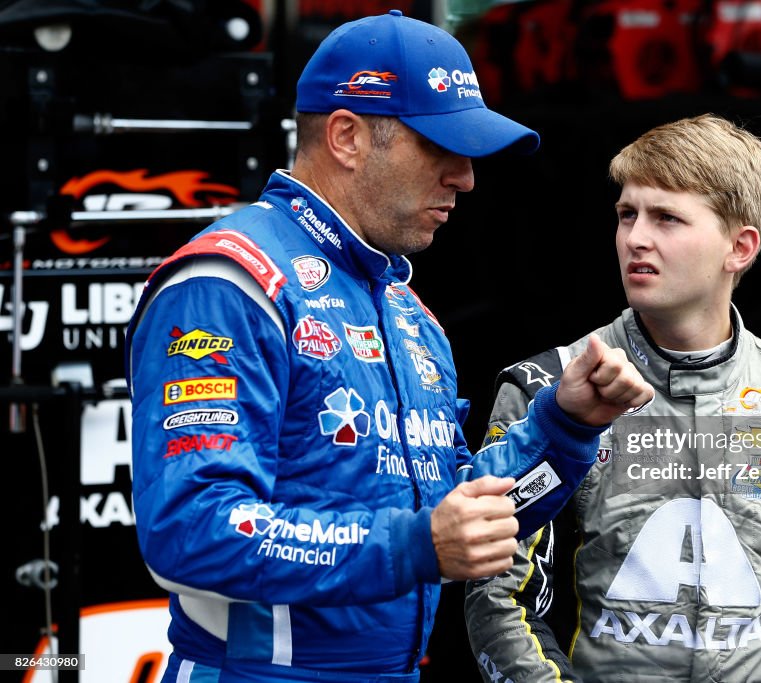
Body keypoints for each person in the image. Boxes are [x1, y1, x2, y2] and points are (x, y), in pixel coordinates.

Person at [125, 10, 653, 683]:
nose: (465, 176)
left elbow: (461, 520)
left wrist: (565, 426)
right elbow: (191, 530)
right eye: (441, 146)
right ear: (347, 136)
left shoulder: (409, 313)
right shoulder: (230, 285)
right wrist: (413, 544)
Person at [464, 114, 761, 682]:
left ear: (739, 248)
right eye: (626, 214)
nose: (636, 237)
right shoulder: (546, 390)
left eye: (667, 218)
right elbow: (496, 599)